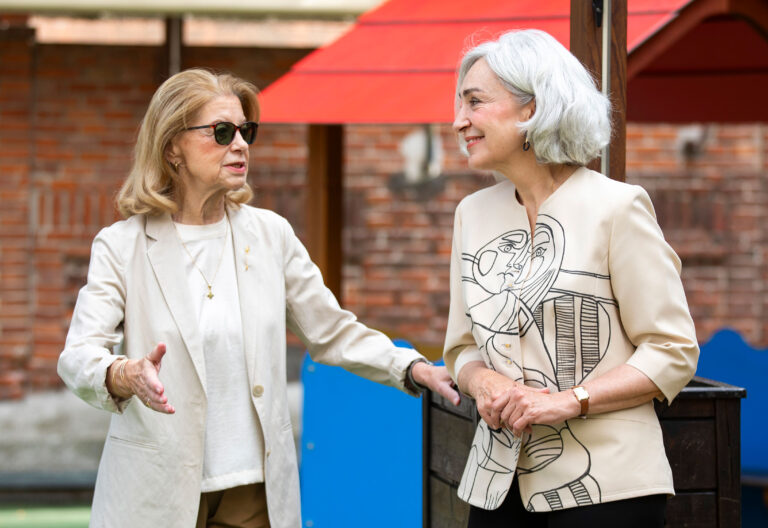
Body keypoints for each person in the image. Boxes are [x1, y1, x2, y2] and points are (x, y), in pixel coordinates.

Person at [57, 68, 459, 528]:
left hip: (255, 496)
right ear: (172, 147)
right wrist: (124, 374)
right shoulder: (121, 245)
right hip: (153, 494)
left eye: (246, 130)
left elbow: (332, 332)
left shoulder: (270, 235)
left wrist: (410, 366)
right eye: (221, 132)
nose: (241, 144)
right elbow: (77, 355)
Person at [444, 29, 699, 527]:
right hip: (497, 487)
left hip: (608, 489)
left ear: (532, 108)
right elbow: (461, 349)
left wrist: (568, 402)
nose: (459, 121)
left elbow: (672, 350)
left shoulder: (618, 209)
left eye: (475, 102)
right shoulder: (471, 214)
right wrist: (485, 380)